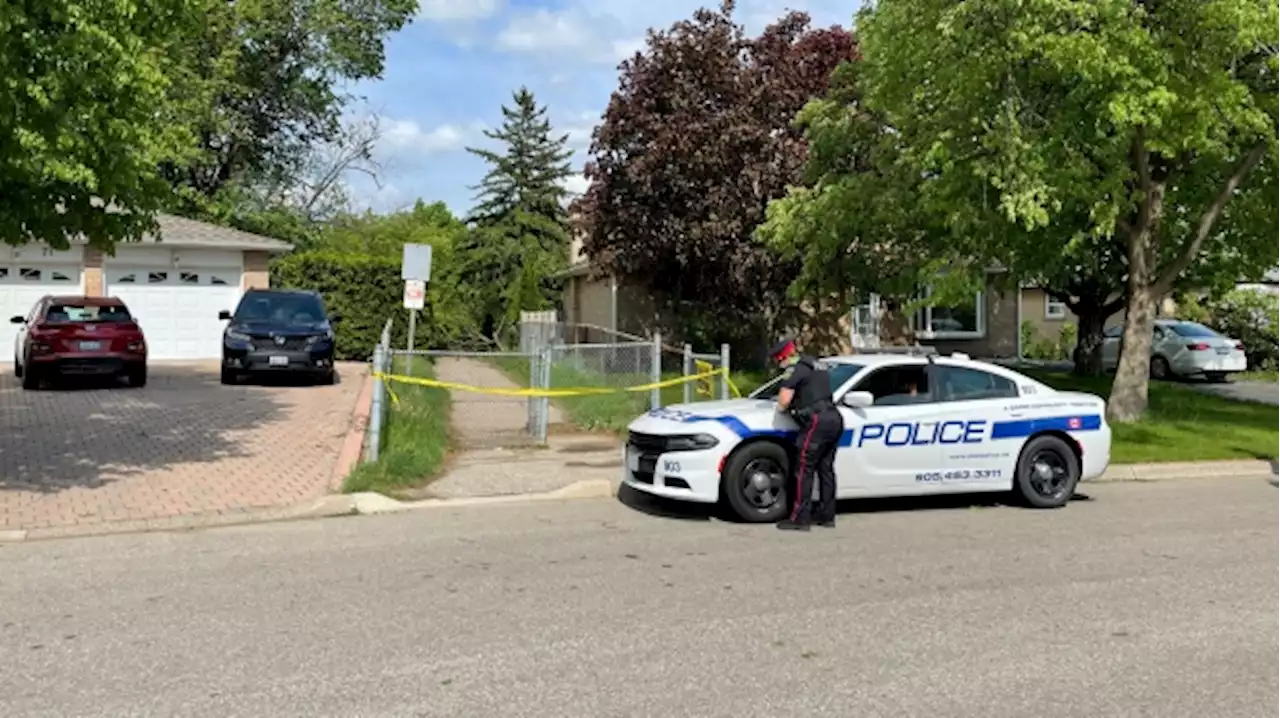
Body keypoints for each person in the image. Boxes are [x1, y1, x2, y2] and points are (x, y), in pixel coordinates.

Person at [769, 337, 843, 531]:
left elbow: (784, 401)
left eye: (778, 360)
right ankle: (827, 516)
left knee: (803, 468)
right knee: (826, 468)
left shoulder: (795, 369)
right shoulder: (817, 364)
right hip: (834, 417)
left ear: (783, 357)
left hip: (815, 421)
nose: (779, 365)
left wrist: (784, 407)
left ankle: (800, 518)